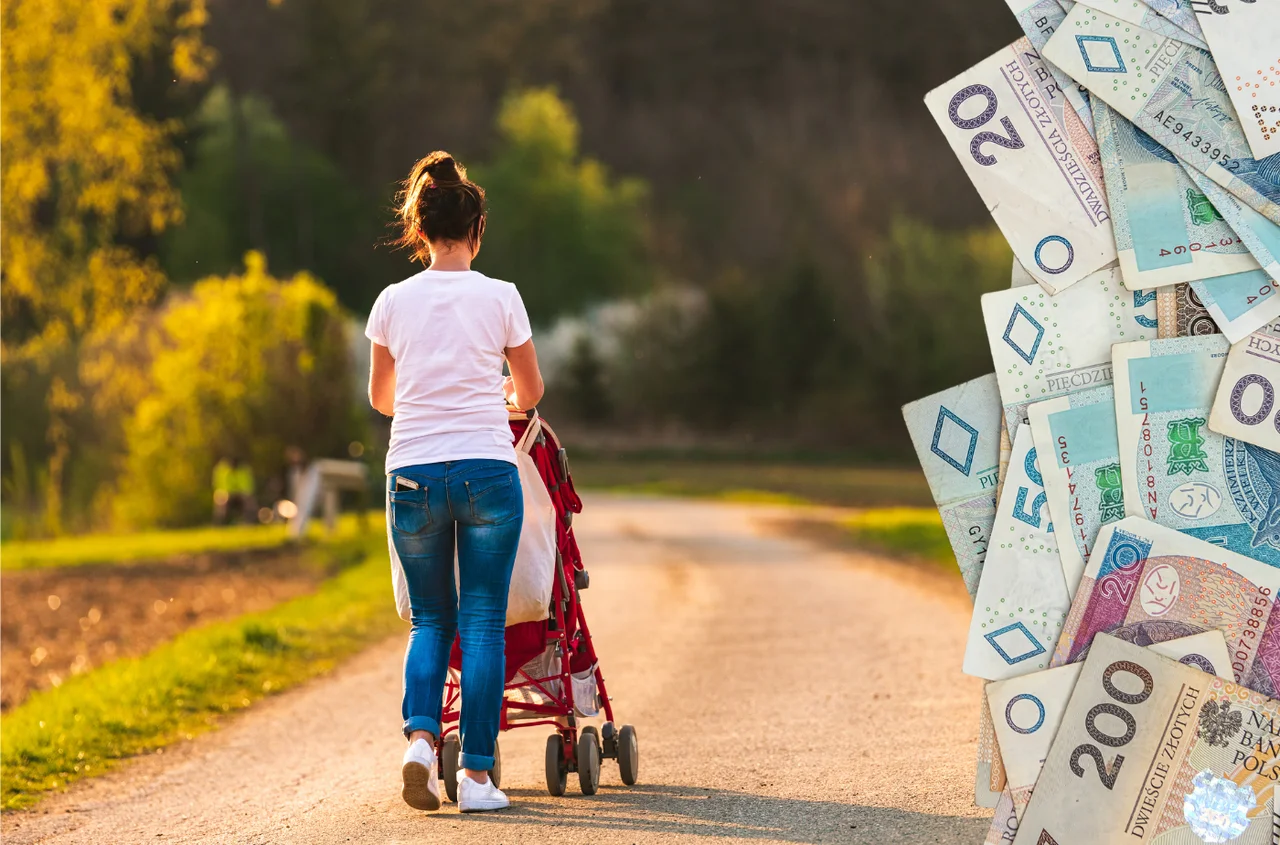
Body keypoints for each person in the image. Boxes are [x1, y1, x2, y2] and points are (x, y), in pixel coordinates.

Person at [366, 151, 545, 814]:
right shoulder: (501, 297)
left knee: (431, 618)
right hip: (486, 471)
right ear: (476, 231)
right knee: (482, 620)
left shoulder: (391, 302)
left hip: (411, 470)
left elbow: (382, 398)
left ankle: (419, 742)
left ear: (419, 231)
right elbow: (530, 390)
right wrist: (497, 391)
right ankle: (474, 778)